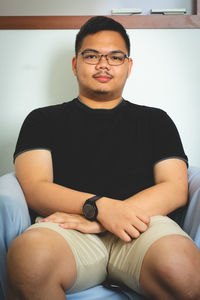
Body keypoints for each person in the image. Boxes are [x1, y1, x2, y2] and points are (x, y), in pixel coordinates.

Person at [6, 16, 200, 300]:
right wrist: (98, 207)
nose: (103, 64)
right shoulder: (42, 120)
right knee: (29, 262)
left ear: (129, 66)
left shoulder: (155, 121)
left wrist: (104, 217)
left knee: (184, 270)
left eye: (115, 57)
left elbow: (174, 188)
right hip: (69, 228)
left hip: (143, 226)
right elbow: (35, 187)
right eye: (92, 55)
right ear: (75, 64)